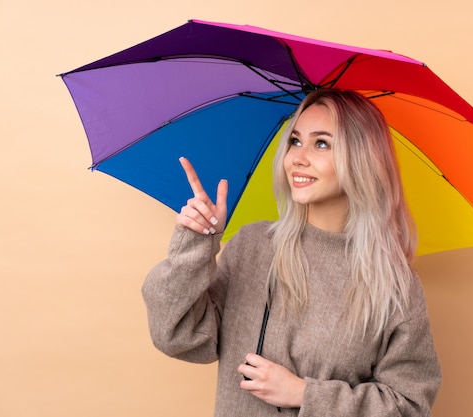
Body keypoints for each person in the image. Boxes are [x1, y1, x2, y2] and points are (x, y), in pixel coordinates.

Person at [142, 89, 441, 416]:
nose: (298, 157)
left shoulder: (396, 284)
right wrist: (195, 244)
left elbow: (409, 406)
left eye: (321, 143)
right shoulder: (253, 245)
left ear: (361, 160)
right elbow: (178, 337)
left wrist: (304, 394)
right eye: (295, 141)